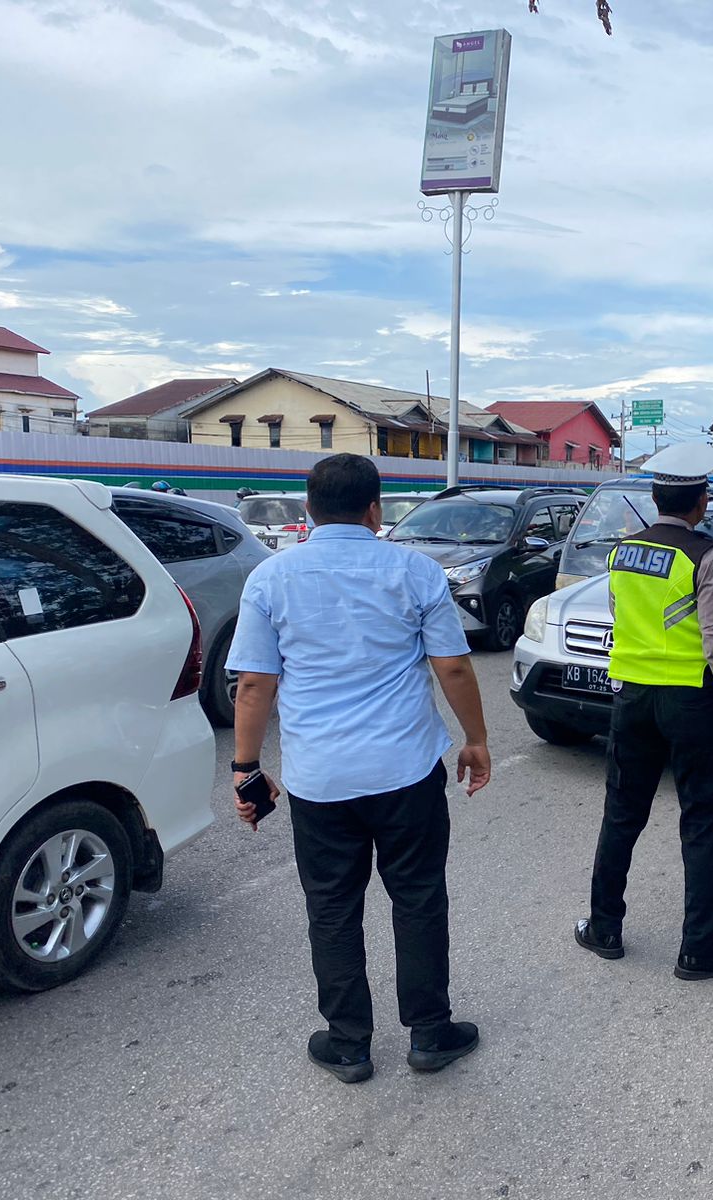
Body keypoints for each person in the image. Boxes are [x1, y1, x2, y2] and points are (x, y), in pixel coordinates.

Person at [228, 452, 492, 1083]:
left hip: (319, 781)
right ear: (376, 511)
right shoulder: (416, 571)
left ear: (308, 511)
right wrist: (476, 739)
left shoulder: (271, 579)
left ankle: (348, 1043)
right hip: (406, 771)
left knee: (332, 907)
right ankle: (429, 1034)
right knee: (420, 898)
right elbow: (452, 666)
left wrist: (245, 768)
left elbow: (255, 685)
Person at [575, 443, 713, 981]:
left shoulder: (623, 552)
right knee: (701, 823)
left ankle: (603, 927)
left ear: (656, 496)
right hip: (690, 699)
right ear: (701, 501)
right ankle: (699, 951)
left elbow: (620, 616)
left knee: (621, 813)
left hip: (631, 696)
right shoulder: (705, 556)